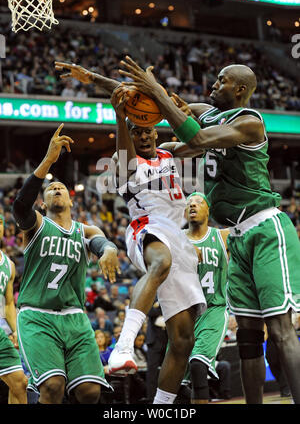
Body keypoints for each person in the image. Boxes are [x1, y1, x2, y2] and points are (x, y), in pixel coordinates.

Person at [118, 56, 300, 404]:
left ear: (240, 89)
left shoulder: (250, 123)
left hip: (264, 225)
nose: (213, 84)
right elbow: (155, 103)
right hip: (236, 234)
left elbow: (198, 138)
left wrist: (155, 90)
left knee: (279, 330)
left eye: (221, 80)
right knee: (247, 337)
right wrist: (100, 82)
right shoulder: (207, 110)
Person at [55, 61, 206, 405]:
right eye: (137, 131)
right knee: (160, 261)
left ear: (155, 129)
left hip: (179, 237)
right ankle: (123, 346)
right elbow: (126, 108)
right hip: (146, 229)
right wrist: (122, 116)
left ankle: (161, 407)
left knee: (183, 340)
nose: (143, 135)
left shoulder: (169, 153)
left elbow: (196, 140)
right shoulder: (125, 164)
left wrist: (94, 78)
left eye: (146, 129)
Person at [12, 125, 120, 405]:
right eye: (51, 189)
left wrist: (109, 249)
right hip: (38, 315)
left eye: (61, 187)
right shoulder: (37, 224)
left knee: (89, 392)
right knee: (52, 386)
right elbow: (21, 206)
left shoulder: (86, 230)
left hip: (74, 316)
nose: (56, 188)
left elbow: (101, 244)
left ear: (72, 200)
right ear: (44, 203)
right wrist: (48, 161)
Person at [183, 191, 230, 404]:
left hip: (213, 309)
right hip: (185, 315)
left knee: (198, 365)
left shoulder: (222, 237)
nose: (193, 205)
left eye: (198, 202)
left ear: (208, 210)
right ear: (184, 212)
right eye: (189, 203)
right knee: (178, 383)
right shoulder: (177, 241)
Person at [0, 215, 28, 404]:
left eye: (0, 222)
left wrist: (16, 329)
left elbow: (9, 303)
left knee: (19, 383)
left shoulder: (8, 264)